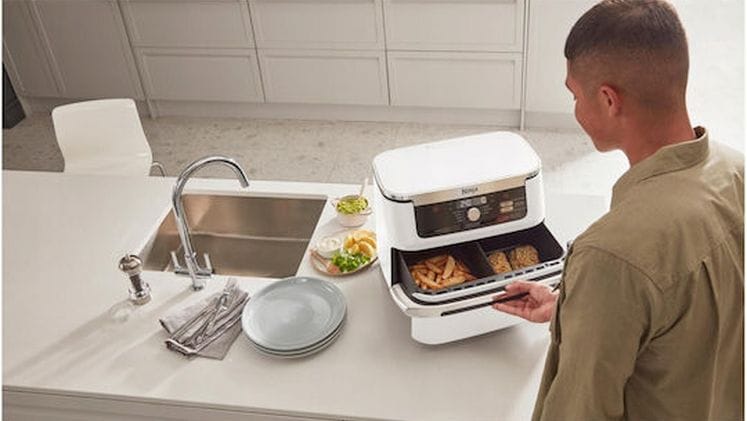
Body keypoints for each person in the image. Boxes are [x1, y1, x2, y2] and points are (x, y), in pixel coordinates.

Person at [492, 1, 744, 420]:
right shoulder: (737, 172)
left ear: (609, 99)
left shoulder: (610, 256)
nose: (575, 109)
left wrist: (598, 292)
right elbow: (692, 315)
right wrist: (571, 309)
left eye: (575, 95)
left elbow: (579, 412)